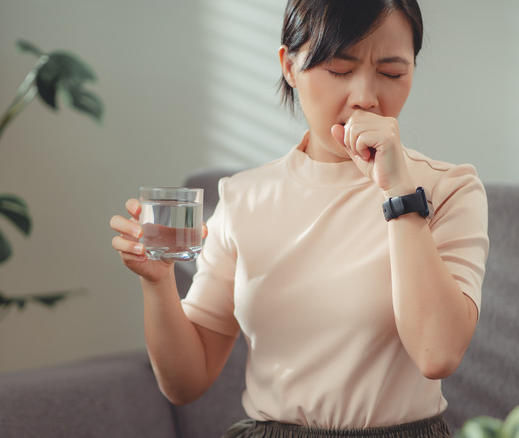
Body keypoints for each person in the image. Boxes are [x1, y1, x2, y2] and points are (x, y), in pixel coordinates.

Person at [110, 0, 489, 436]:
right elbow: (185, 383)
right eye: (339, 69)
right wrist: (157, 284)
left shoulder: (448, 189)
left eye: (392, 73)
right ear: (289, 66)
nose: (366, 96)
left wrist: (399, 193)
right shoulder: (243, 198)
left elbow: (436, 354)